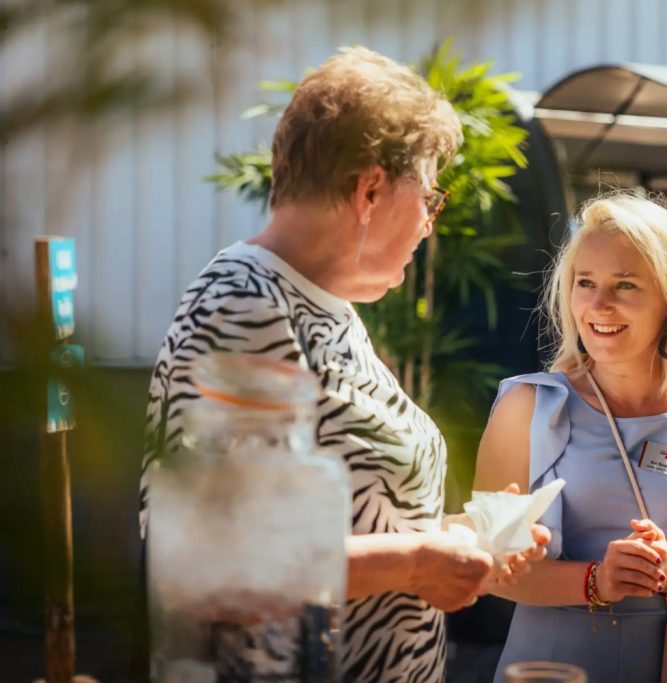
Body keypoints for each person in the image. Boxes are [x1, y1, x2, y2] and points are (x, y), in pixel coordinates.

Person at [139, 46, 547, 682]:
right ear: (370, 189)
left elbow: (338, 519)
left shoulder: (324, 306)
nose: (428, 225)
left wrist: (464, 542)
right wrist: (416, 560)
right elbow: (204, 561)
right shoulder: (243, 301)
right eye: (429, 198)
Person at [474, 193, 667, 682]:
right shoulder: (525, 408)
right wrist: (595, 580)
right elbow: (490, 565)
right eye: (585, 283)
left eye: (625, 285)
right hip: (547, 672)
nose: (598, 304)